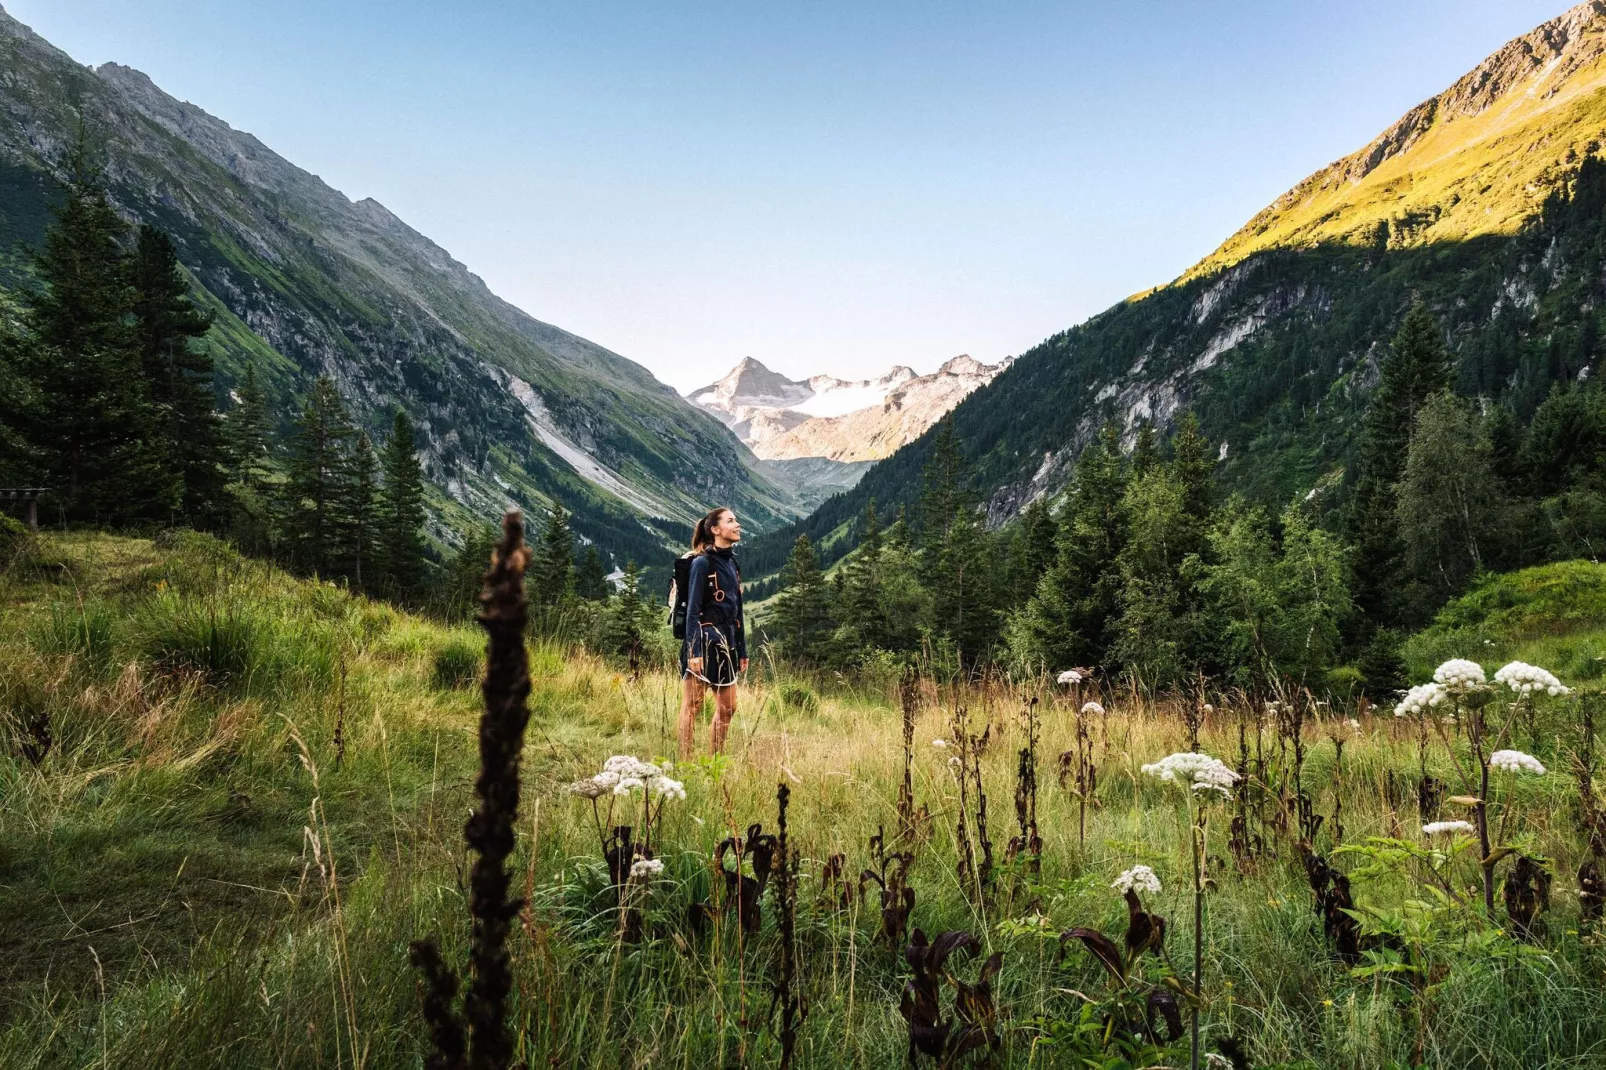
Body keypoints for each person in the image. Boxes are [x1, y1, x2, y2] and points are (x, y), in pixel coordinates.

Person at [677, 506, 747, 757]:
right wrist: (694, 651)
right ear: (716, 530)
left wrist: (742, 649)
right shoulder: (701, 563)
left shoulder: (732, 564)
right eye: (731, 521)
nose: (737, 525)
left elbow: (737, 611)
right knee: (692, 706)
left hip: (726, 644)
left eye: (736, 520)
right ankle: (686, 761)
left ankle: (714, 761)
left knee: (728, 708)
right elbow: (693, 611)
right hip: (703, 643)